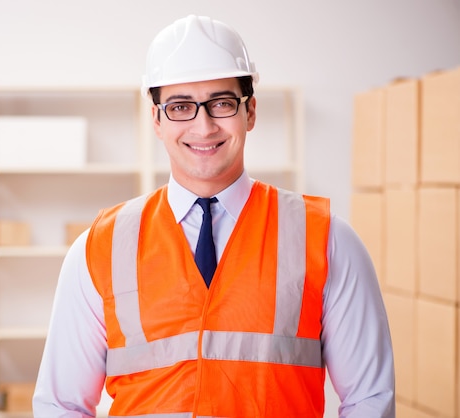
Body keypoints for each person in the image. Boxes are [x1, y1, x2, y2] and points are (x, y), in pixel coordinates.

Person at [33, 14, 395, 418]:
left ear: (250, 111)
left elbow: (370, 400)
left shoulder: (327, 241)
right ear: (156, 119)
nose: (203, 127)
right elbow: (61, 406)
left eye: (221, 103)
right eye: (181, 106)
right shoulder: (99, 248)